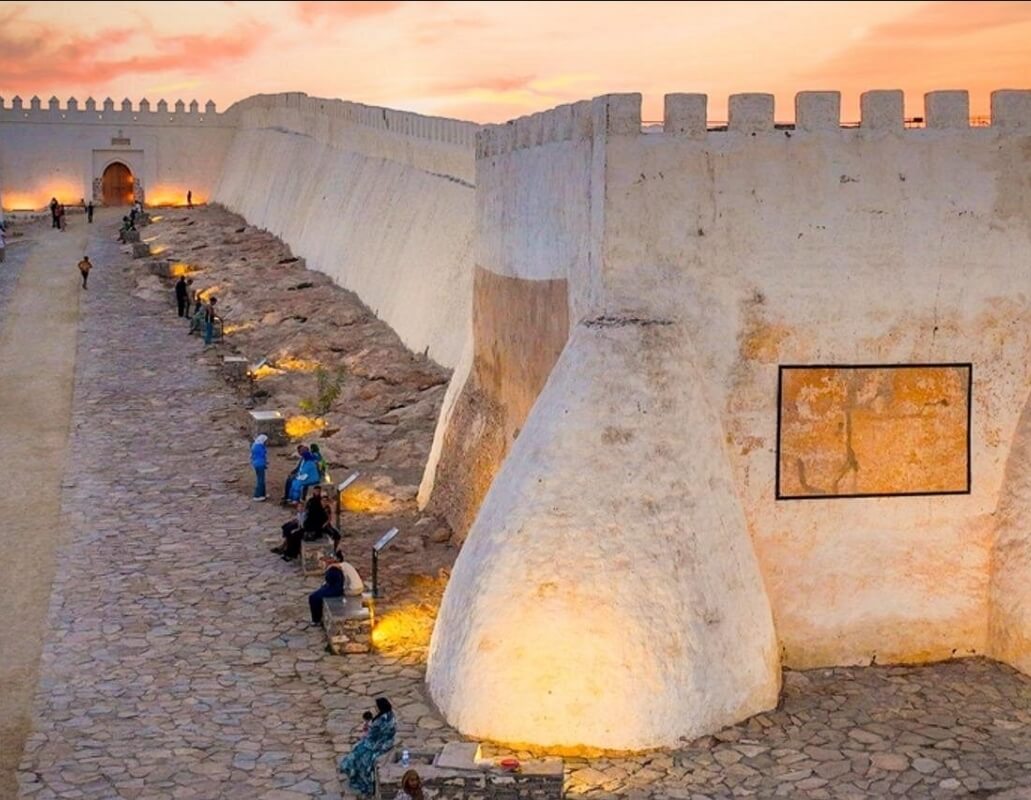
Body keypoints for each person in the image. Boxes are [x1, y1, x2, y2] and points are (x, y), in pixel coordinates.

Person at [339, 698, 396, 797]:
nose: (375, 708)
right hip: (387, 742)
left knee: (358, 752)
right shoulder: (391, 715)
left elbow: (372, 736)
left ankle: (357, 776)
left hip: (378, 744)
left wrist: (365, 735)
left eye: (376, 706)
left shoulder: (379, 721)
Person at [273, 485, 329, 560]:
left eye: (325, 501)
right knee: (291, 532)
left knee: (295, 535)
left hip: (312, 531)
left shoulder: (324, 511)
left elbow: (323, 522)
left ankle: (290, 554)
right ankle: (286, 551)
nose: (323, 502)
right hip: (306, 526)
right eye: (323, 501)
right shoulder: (314, 504)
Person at [251, 434, 268, 501]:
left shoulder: (255, 445)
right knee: (260, 480)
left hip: (257, 464)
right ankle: (257, 495)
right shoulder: (259, 447)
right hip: (260, 464)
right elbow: (262, 455)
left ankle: (262, 494)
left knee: (261, 479)